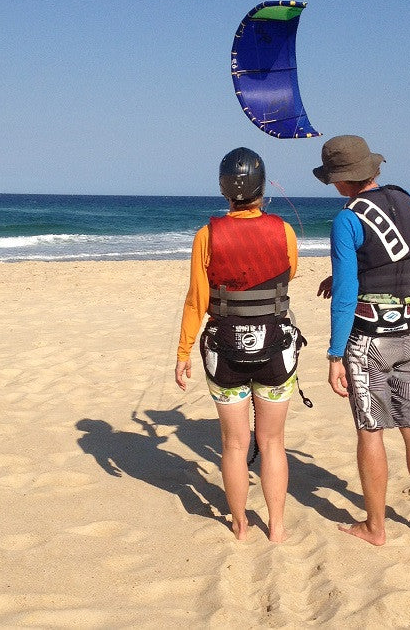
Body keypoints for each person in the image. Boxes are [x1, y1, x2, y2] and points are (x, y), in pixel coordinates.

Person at [314, 135, 410, 546]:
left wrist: (335, 355)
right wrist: (346, 274)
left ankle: (375, 527)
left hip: (369, 340)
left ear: (340, 179)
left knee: (371, 431)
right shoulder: (409, 203)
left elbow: (346, 296)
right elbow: (400, 260)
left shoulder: (347, 218)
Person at [175, 147, 302, 543]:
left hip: (225, 351)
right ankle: (276, 527)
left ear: (223, 189)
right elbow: (289, 273)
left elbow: (197, 299)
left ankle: (240, 524)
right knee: (273, 442)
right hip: (275, 351)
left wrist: (183, 352)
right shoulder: (283, 231)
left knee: (234, 444)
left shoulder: (206, 236)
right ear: (262, 189)